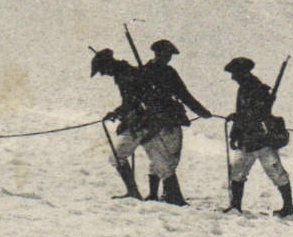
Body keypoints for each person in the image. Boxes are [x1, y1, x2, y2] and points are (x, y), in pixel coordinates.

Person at [137, 38, 211, 205]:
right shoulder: (160, 73)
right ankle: (171, 196)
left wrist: (201, 111)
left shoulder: (149, 71)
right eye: (166, 55)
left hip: (160, 121)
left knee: (159, 158)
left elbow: (184, 95)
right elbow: (184, 96)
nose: (168, 58)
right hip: (163, 122)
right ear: (158, 53)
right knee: (168, 159)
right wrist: (201, 111)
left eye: (169, 55)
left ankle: (156, 194)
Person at [223, 57, 293, 218]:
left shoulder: (256, 89)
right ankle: (236, 206)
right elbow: (242, 112)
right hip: (248, 140)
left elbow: (256, 114)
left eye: (234, 73)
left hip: (262, 140)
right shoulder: (244, 88)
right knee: (237, 170)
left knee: (276, 172)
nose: (232, 77)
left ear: (242, 73)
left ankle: (288, 208)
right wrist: (235, 131)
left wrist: (237, 120)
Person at [90, 47, 149, 199]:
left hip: (143, 120)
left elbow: (132, 101)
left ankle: (133, 192)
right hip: (144, 119)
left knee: (116, 157)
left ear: (108, 64)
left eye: (102, 70)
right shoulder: (125, 72)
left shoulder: (124, 75)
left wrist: (117, 113)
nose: (103, 74)